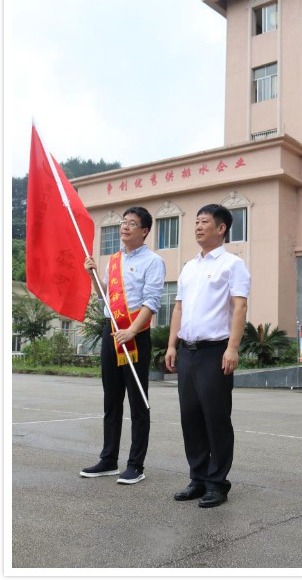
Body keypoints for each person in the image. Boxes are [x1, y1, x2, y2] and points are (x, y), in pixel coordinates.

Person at [165, 204, 250, 508]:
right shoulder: (189, 266)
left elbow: (239, 307)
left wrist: (232, 348)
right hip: (187, 351)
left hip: (216, 351)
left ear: (221, 228)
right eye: (196, 222)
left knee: (216, 418)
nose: (198, 227)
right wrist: (172, 345)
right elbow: (179, 308)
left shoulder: (233, 264)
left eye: (204, 222)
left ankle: (218, 483)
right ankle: (197, 479)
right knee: (191, 418)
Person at [81, 206, 166, 484]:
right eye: (123, 222)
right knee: (111, 398)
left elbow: (151, 302)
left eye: (132, 223)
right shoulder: (114, 260)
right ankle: (108, 460)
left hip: (136, 334)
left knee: (138, 400)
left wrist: (132, 330)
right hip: (112, 332)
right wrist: (93, 274)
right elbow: (105, 297)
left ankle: (136, 464)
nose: (125, 227)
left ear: (145, 231)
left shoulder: (153, 261)